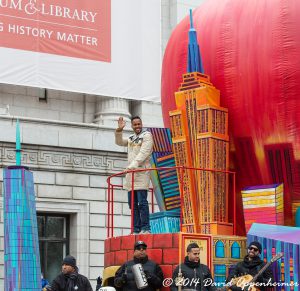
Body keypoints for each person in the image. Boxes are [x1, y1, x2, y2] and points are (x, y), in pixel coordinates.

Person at [115, 116, 153, 234]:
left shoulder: (147, 136)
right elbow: (119, 142)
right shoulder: (131, 138)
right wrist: (119, 130)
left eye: (139, 124)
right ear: (131, 126)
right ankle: (136, 229)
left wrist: (133, 165)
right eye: (135, 124)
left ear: (141, 124)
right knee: (132, 204)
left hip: (141, 173)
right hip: (131, 175)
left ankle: (145, 228)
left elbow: (144, 153)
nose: (137, 126)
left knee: (142, 202)